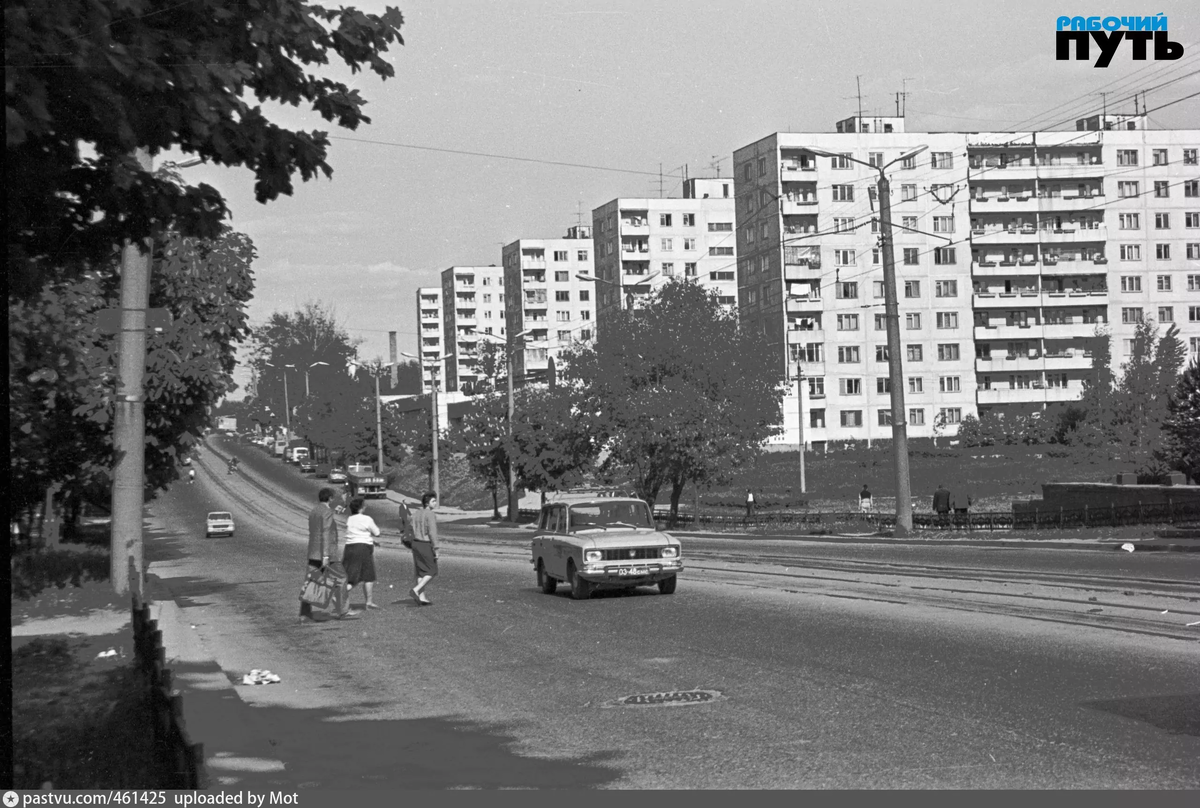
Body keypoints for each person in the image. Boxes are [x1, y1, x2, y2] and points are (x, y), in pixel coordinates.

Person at [301, 487, 356, 624]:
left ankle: (304, 614)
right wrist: (325, 556)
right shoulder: (327, 512)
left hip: (313, 552)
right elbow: (325, 532)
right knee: (342, 578)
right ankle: (343, 610)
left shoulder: (314, 511)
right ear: (330, 498)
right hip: (326, 553)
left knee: (310, 581)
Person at [342, 497, 382, 610]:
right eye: (364, 505)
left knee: (352, 574)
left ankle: (369, 601)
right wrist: (373, 537)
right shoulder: (367, 519)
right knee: (367, 576)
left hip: (350, 548)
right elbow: (377, 532)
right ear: (360, 508)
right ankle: (340, 594)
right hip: (363, 549)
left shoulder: (350, 519)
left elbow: (356, 533)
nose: (365, 507)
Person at [409, 491, 440, 606]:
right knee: (432, 570)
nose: (435, 503)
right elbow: (432, 532)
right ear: (427, 503)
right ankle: (416, 590)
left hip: (415, 544)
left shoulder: (416, 513)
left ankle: (422, 597)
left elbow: (410, 528)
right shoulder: (430, 514)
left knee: (421, 571)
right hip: (425, 544)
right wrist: (436, 548)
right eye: (433, 501)